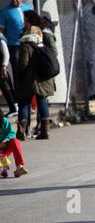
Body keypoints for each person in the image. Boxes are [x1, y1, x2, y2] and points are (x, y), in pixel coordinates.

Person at [15, 11, 55, 140]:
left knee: (24, 102)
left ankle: (22, 130)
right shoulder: (44, 40)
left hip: (29, 78)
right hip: (44, 77)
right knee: (42, 100)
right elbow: (53, 54)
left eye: (25, 22)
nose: (24, 24)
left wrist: (18, 73)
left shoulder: (25, 43)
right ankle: (45, 130)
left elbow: (23, 63)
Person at [0, 0, 33, 71]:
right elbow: (1, 31)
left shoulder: (28, 8)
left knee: (30, 70)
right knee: (18, 71)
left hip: (29, 44)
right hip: (14, 46)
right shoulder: (4, 12)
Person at [0, 108, 28, 178]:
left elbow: (12, 133)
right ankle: (3, 168)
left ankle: (19, 168)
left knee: (15, 141)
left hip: (5, 146)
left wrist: (5, 140)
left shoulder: (4, 121)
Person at [0, 33, 18, 117]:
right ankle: (13, 107)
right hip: (2, 66)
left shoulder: (1, 38)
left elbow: (6, 54)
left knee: (7, 87)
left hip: (3, 67)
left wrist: (4, 66)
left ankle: (14, 108)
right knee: (5, 87)